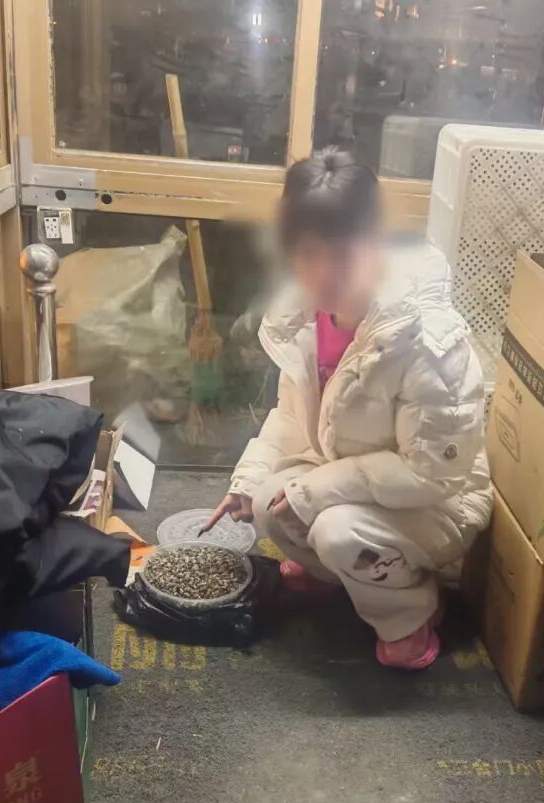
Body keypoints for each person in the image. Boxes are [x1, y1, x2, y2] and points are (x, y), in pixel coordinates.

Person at [203, 148, 492, 670]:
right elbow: (292, 417)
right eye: (308, 254)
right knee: (269, 504)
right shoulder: (306, 318)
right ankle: (340, 573)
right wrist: (248, 479)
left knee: (335, 531)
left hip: (440, 500)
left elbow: (432, 474)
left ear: (375, 242)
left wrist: (315, 491)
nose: (324, 272)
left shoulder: (426, 338)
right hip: (356, 482)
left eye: (341, 253)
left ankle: (413, 615)